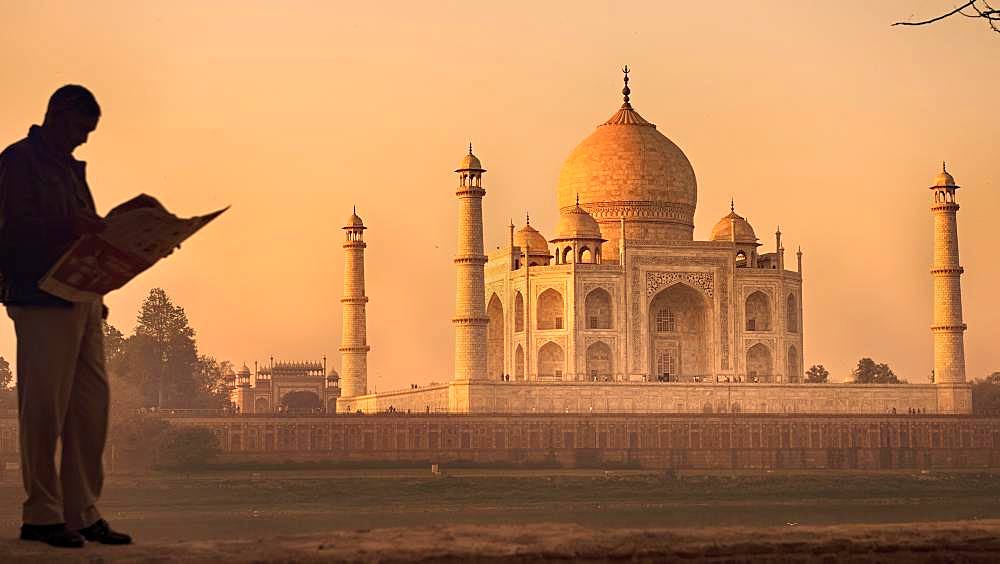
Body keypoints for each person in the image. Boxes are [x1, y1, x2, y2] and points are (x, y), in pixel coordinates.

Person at [0, 85, 133, 548]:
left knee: (89, 409)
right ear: (56, 114)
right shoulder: (19, 162)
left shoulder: (69, 171)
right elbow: (14, 228)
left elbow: (84, 234)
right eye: (80, 128)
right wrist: (70, 225)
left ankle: (81, 512)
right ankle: (41, 515)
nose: (83, 139)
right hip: (40, 296)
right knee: (44, 409)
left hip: (82, 296)